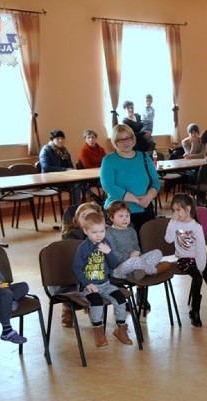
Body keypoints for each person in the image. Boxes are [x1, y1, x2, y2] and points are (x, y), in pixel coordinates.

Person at [166, 193, 207, 328]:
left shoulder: (196, 227)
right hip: (184, 259)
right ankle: (195, 312)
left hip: (199, 257)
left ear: (188, 209)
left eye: (178, 210)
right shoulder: (175, 224)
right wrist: (172, 222)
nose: (176, 213)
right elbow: (168, 239)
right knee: (197, 279)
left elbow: (201, 248)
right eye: (174, 210)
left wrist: (201, 266)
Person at [72, 212, 133, 348]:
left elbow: (114, 264)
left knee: (120, 298)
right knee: (96, 301)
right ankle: (98, 331)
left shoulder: (106, 243)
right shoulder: (83, 248)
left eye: (102, 231)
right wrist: (88, 283)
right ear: (85, 231)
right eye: (94, 232)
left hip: (105, 284)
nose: (99, 235)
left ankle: (121, 329)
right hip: (88, 287)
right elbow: (76, 268)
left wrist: (109, 252)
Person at [100, 124, 160, 233]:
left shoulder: (144, 157)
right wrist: (137, 200)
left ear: (133, 139)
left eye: (128, 138)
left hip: (145, 209)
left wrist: (148, 197)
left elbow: (155, 182)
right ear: (115, 142)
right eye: (120, 139)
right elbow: (108, 186)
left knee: (147, 244)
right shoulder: (108, 160)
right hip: (118, 212)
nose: (125, 142)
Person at [106, 201, 168, 282]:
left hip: (135, 261)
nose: (125, 218)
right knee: (135, 261)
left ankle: (138, 273)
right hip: (118, 269)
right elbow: (113, 255)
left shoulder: (131, 231)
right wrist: (130, 256)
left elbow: (137, 248)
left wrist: (138, 253)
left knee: (158, 252)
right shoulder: (109, 233)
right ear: (111, 217)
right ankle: (154, 271)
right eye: (120, 216)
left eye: (127, 215)